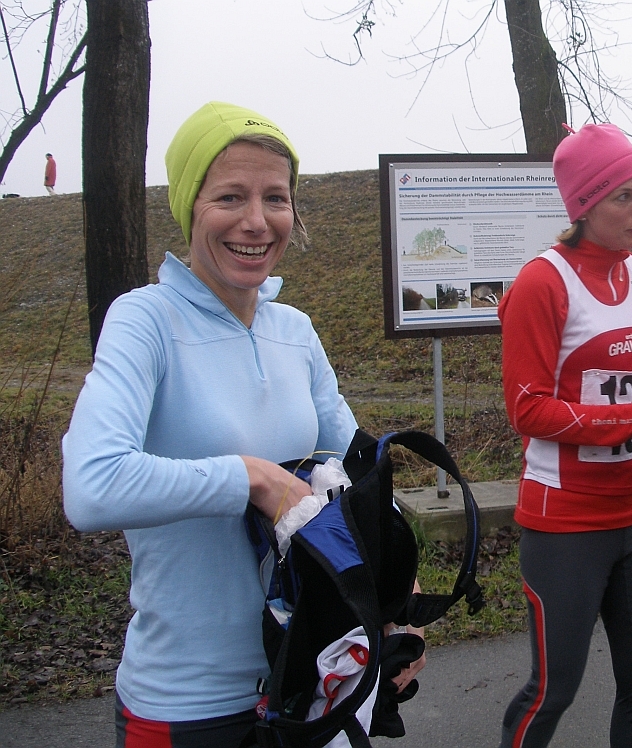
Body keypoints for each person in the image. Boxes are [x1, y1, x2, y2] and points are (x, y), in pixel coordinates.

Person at [62, 101, 424, 747]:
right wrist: (255, 479)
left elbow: (361, 476)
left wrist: (400, 603)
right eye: (230, 196)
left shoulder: (295, 330)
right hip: (189, 700)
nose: (256, 222)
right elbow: (92, 487)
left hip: (312, 683)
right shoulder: (145, 320)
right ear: (189, 206)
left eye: (275, 198)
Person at [497, 123, 632, 748]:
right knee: (553, 692)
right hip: (565, 522)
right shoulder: (543, 283)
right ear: (585, 205)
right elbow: (529, 411)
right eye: (624, 196)